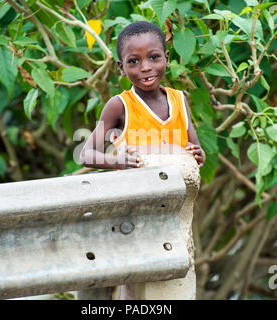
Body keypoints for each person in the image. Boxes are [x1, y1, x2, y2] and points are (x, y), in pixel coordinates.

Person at [80, 21, 205, 299]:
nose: (145, 67)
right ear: (121, 68)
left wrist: (199, 154)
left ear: (167, 59)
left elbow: (195, 150)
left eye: (154, 57)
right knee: (134, 281)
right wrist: (119, 160)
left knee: (172, 279)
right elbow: (86, 153)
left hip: (174, 214)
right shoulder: (120, 105)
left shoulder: (178, 100)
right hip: (133, 212)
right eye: (134, 61)